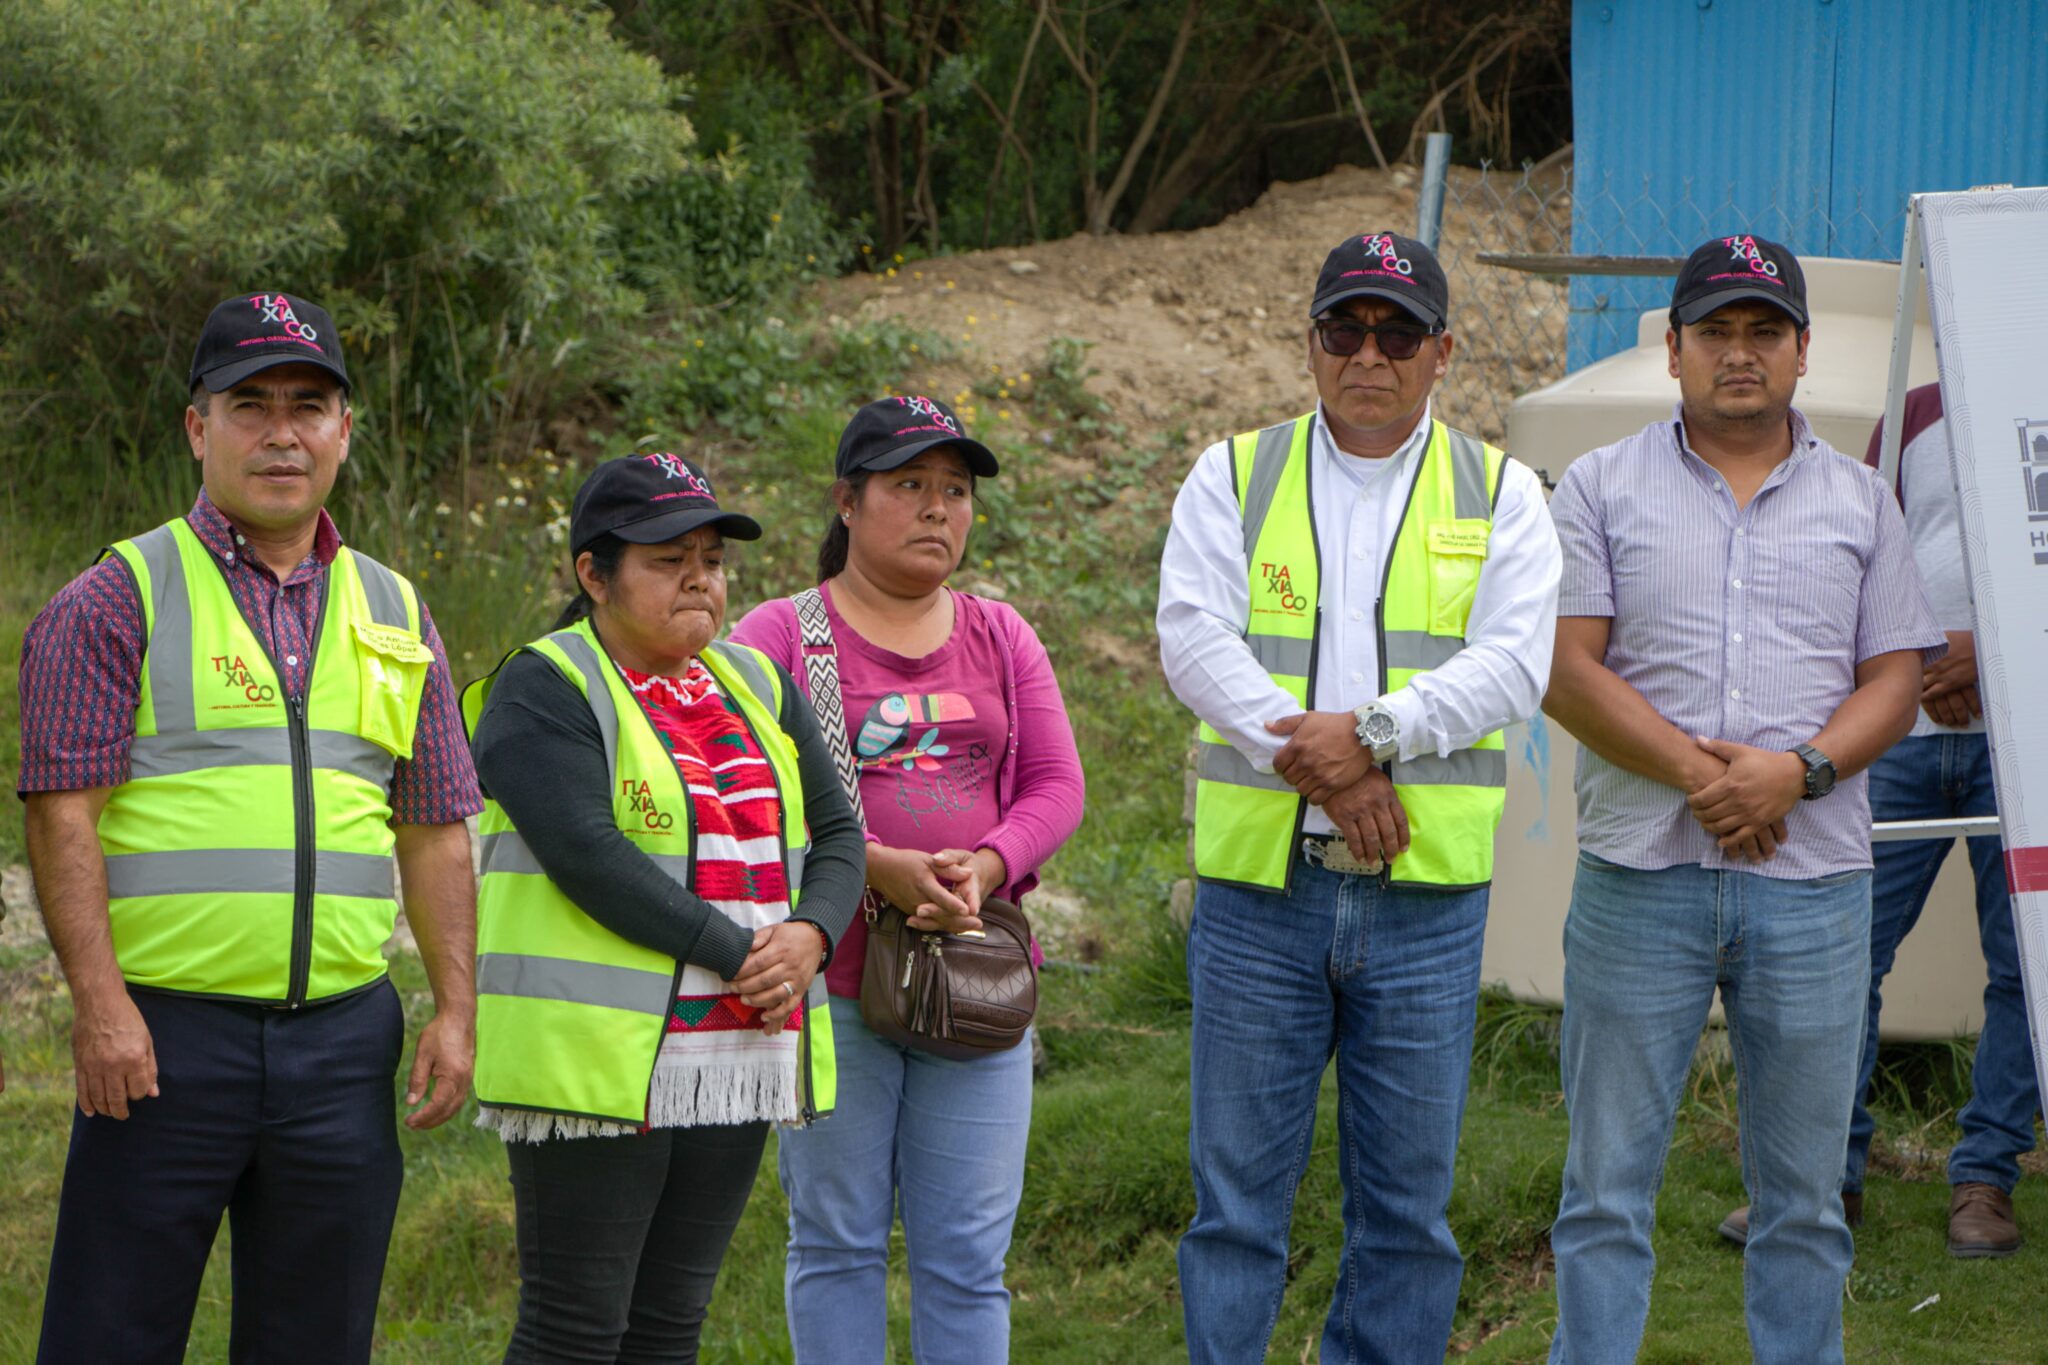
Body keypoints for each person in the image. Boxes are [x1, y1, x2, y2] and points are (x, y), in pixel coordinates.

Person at [19, 291, 482, 1363]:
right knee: (111, 1334)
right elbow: (61, 819)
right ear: (198, 427)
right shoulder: (115, 598)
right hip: (164, 1041)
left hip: (341, 1040)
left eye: (309, 406)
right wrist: (100, 1011)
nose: (282, 432)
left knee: (316, 1340)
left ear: (343, 432)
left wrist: (454, 1009)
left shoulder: (395, 607)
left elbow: (435, 830)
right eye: (249, 404)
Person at [1156, 232, 1561, 1362]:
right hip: (1257, 896)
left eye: (1395, 333)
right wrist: (1325, 764)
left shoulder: (1502, 492)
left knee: (1405, 1218)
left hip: (1423, 903)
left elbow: (1513, 664)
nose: (1367, 355)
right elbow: (1193, 641)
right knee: (1234, 1210)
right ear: (1311, 344)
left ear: (1441, 351)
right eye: (1345, 329)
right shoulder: (1231, 475)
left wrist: (1368, 737)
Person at [1542, 236, 1947, 1364]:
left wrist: (1797, 773)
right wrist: (1705, 776)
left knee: (1806, 1199)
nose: (1737, 353)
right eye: (1712, 331)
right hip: (1639, 876)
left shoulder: (1862, 503)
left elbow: (1896, 678)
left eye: (1761, 331)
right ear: (1669, 349)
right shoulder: (1596, 485)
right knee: (1603, 1190)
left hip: (1810, 888)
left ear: (1801, 351)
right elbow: (1565, 670)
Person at [464, 453, 866, 1362]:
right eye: (665, 556)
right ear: (593, 575)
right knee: (574, 1330)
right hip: (594, 1063)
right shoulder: (544, 684)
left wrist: (810, 934)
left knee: (669, 1327)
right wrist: (742, 951)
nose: (699, 577)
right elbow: (587, 854)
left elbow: (842, 831)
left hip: (733, 1051)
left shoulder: (757, 682)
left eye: (712, 558)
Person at [730, 394, 1084, 1362]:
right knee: (837, 1243)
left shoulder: (1000, 636)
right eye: (909, 485)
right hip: (830, 985)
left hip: (974, 980)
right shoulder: (773, 638)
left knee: (967, 1257)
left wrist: (989, 861)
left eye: (955, 491)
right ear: (847, 501)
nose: (937, 508)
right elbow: (735, 801)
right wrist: (872, 869)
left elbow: (1058, 785)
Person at [1716, 383, 2040, 1257]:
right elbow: (1857, 556)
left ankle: (1985, 1178)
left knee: (2025, 965)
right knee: (1841, 951)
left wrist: (2004, 651)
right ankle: (1825, 1178)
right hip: (1896, 731)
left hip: (2029, 744)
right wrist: (1918, 659)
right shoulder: (1920, 411)